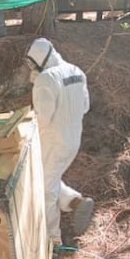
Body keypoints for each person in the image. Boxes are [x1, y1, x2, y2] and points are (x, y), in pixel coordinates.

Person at [26, 38, 94, 244]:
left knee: (45, 189)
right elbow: (85, 107)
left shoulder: (45, 79)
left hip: (53, 141)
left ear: (38, 61)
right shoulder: (76, 71)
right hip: (73, 138)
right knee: (50, 177)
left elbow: (43, 118)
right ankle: (74, 201)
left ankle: (52, 239)